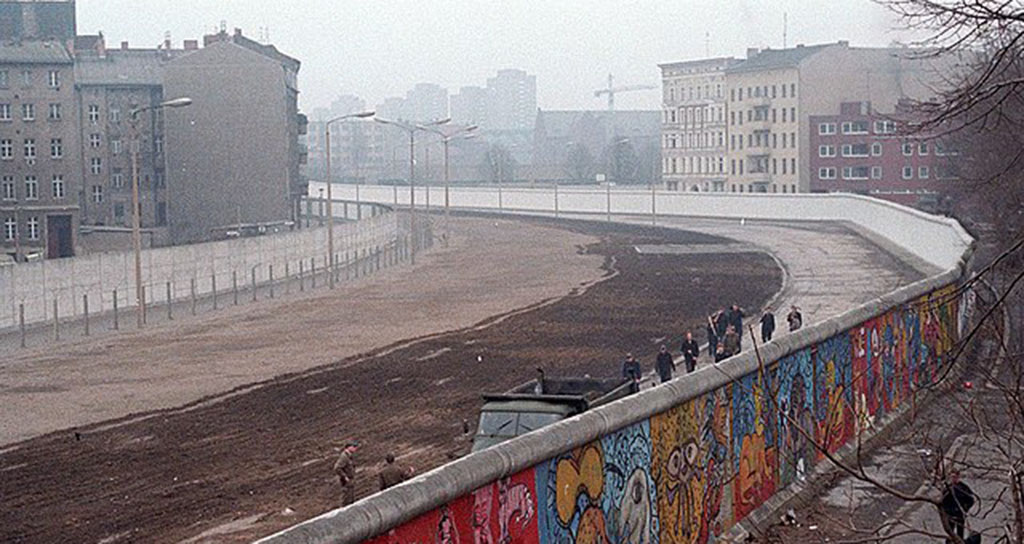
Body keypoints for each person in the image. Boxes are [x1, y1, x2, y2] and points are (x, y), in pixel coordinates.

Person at [940, 470, 977, 544]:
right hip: (950, 515)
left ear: (958, 477)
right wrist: (947, 511)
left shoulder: (963, 487)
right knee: (950, 534)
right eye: (952, 477)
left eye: (955, 477)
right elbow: (943, 502)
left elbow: (971, 500)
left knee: (960, 534)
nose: (953, 479)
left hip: (960, 514)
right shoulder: (948, 488)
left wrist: (965, 509)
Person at [333, 441, 359, 506]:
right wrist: (344, 477)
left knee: (350, 497)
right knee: (346, 498)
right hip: (346, 481)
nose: (355, 448)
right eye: (354, 447)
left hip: (350, 480)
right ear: (348, 447)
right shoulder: (344, 456)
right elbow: (337, 468)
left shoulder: (349, 456)